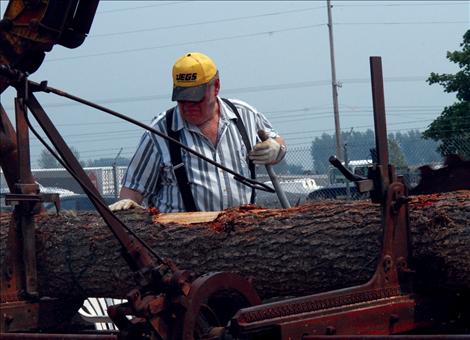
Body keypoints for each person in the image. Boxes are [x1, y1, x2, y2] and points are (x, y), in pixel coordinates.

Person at [109, 52, 286, 213]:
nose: (188, 105)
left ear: (216, 87)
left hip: (241, 234)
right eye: (182, 99)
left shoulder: (244, 115)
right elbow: (133, 190)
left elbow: (276, 142)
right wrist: (127, 204)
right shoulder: (159, 131)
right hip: (182, 239)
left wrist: (276, 149)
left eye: (196, 98)